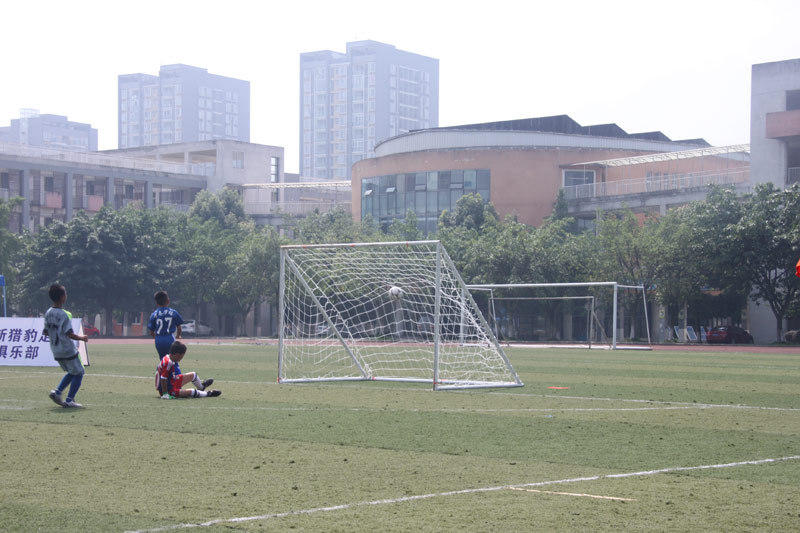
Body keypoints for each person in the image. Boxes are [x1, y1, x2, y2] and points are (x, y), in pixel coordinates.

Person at [44, 284, 89, 408]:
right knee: (79, 372)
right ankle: (69, 400)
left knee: (72, 371)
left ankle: (57, 393)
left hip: (55, 349)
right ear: (63, 297)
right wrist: (82, 338)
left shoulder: (48, 312)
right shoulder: (63, 314)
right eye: (65, 294)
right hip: (66, 348)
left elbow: (45, 331)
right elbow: (69, 334)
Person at [156, 341, 221, 399]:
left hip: (173, 382)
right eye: (182, 356)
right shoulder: (168, 362)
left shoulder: (168, 357)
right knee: (192, 391)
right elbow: (163, 378)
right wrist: (165, 394)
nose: (181, 359)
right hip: (169, 390)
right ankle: (208, 393)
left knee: (193, 375)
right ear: (177, 354)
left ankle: (201, 387)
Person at [147, 290, 184, 360]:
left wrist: (157, 338)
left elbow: (151, 332)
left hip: (159, 340)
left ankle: (160, 370)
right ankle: (174, 371)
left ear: (157, 303)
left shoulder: (154, 314)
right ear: (168, 301)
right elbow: (179, 327)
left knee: (163, 360)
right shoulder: (173, 312)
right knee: (173, 360)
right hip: (169, 338)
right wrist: (178, 335)